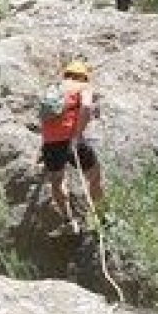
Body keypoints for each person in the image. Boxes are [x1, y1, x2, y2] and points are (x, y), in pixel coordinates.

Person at [40, 61, 104, 228]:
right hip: (71, 138)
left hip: (50, 141)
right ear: (83, 76)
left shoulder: (55, 88)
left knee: (57, 181)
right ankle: (100, 217)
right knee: (94, 175)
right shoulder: (83, 87)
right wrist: (76, 135)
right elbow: (87, 106)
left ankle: (68, 220)